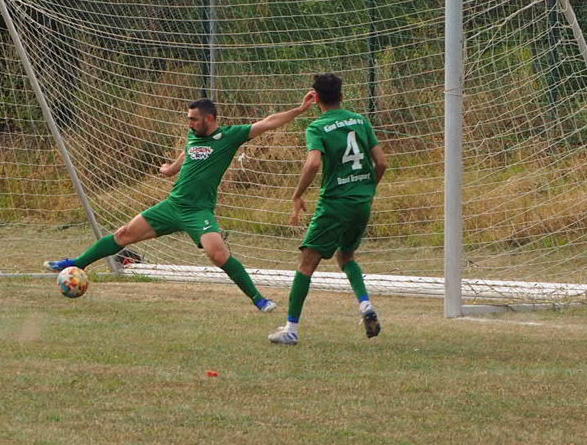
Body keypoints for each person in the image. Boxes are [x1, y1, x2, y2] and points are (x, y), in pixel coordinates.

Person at [45, 93, 317, 312]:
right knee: (124, 234)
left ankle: (259, 300)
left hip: (198, 212)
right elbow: (187, 152)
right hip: (172, 206)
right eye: (188, 119)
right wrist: (171, 170)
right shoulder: (193, 136)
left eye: (194, 120)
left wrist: (299, 109)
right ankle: (76, 263)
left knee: (218, 255)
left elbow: (269, 122)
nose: (189, 124)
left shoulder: (230, 136)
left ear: (209, 119)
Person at [270, 73, 388, 346]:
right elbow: (381, 162)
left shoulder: (317, 127)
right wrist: (368, 190)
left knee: (307, 263)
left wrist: (298, 195)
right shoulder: (360, 120)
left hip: (335, 203)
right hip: (361, 202)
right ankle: (365, 305)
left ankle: (291, 329)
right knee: (346, 256)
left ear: (316, 99)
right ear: (342, 97)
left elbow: (313, 164)